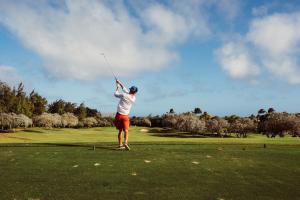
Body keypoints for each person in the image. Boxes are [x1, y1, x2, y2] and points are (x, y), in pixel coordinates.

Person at [114, 79, 138, 150]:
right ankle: (126, 142)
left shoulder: (124, 95)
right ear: (135, 92)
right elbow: (125, 90)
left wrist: (117, 87)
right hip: (126, 116)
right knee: (126, 130)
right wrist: (120, 83)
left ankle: (120, 145)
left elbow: (115, 94)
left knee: (120, 131)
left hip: (119, 115)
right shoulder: (134, 98)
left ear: (130, 90)